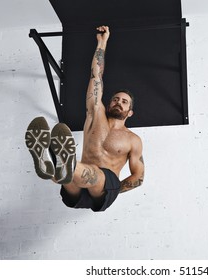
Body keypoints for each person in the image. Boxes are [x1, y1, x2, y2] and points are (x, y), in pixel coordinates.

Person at [25, 26, 144, 212]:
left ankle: (62, 163)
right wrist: (102, 42)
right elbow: (96, 76)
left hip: (104, 188)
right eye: (115, 99)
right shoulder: (95, 113)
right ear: (109, 103)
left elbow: (138, 176)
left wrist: (114, 189)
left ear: (130, 112)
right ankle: (53, 166)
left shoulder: (133, 140)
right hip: (80, 183)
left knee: (94, 174)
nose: (118, 103)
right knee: (68, 175)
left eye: (124, 102)